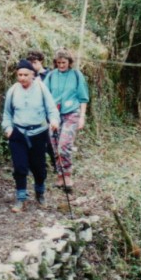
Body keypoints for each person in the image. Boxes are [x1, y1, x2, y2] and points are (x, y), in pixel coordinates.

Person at [1, 58, 59, 212]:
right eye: (19, 75)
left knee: (39, 168)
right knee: (20, 167)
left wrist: (54, 121)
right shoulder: (13, 90)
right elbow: (7, 113)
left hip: (39, 133)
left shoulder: (41, 88)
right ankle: (21, 198)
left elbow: (51, 109)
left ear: (33, 74)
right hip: (18, 133)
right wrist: (8, 128)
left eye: (25, 75)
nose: (22, 78)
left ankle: (39, 193)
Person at [43, 48, 89, 190]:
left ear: (69, 62)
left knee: (64, 145)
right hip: (54, 116)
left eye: (64, 62)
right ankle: (59, 175)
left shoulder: (76, 75)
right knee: (55, 146)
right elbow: (44, 95)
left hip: (71, 114)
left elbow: (83, 98)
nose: (61, 65)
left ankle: (67, 174)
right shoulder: (50, 76)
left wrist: (82, 117)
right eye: (58, 63)